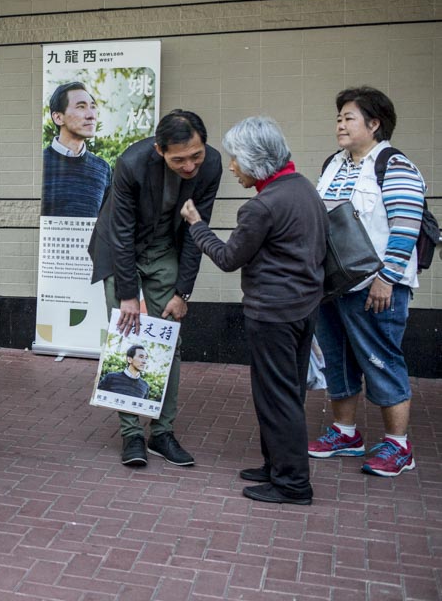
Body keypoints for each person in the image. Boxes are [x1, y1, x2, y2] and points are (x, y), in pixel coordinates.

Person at [182, 116, 326, 504]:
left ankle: (293, 484)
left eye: (236, 159)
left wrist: (196, 225)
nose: (231, 166)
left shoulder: (261, 207)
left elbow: (229, 258)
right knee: (286, 393)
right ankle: (275, 465)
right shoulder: (303, 189)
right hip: (302, 309)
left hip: (273, 314)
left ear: (257, 160)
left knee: (276, 397)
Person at [89, 109, 222, 468]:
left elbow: (197, 231)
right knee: (126, 337)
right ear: (160, 151)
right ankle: (131, 433)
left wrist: (183, 293)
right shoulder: (132, 163)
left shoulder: (211, 165)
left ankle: (163, 432)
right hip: (122, 250)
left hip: (165, 249)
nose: (191, 166)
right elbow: (120, 232)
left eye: (196, 155)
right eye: (180, 159)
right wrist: (129, 295)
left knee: (169, 337)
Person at [309, 87, 426, 478]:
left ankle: (399, 446)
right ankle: (345, 434)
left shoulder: (394, 166)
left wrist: (387, 279)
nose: (340, 124)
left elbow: (406, 228)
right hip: (333, 287)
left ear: (374, 124)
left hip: (377, 288)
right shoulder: (332, 164)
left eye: (349, 118)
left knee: (381, 360)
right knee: (337, 362)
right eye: (339, 118)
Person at [41, 82, 112, 218]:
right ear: (58, 117)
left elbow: (106, 223)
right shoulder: (39, 164)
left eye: (93, 107)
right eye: (81, 107)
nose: (91, 115)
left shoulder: (103, 169)